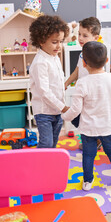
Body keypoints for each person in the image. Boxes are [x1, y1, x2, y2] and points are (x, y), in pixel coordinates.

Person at [61, 41, 111, 191]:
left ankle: (87, 182)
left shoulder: (82, 83)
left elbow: (76, 109)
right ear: (106, 61)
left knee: (88, 155)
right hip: (107, 126)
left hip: (87, 129)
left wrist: (65, 116)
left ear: (84, 63)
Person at [29, 15, 69, 148]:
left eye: (61, 41)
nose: (59, 46)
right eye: (54, 42)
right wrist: (63, 107)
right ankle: (39, 166)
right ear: (41, 41)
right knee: (46, 143)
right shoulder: (40, 62)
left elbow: (55, 79)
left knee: (53, 142)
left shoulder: (54, 56)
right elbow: (44, 91)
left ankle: (49, 166)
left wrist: (62, 87)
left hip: (57, 110)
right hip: (44, 112)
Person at [64, 17, 103, 150]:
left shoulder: (97, 55)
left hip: (92, 95)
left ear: (96, 37)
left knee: (87, 120)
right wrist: (66, 83)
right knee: (79, 119)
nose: (80, 38)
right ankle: (94, 140)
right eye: (79, 34)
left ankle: (94, 141)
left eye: (85, 35)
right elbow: (77, 70)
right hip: (82, 93)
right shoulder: (83, 53)